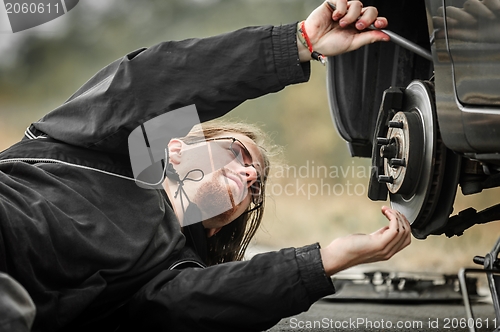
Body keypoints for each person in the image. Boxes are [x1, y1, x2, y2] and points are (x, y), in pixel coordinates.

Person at [0, 1, 411, 331]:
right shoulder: (81, 144)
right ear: (177, 147)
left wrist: (327, 259)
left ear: (219, 225)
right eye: (238, 153)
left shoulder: (173, 274)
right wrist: (298, 42)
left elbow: (211, 301)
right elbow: (149, 83)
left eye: (255, 187)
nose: (251, 176)